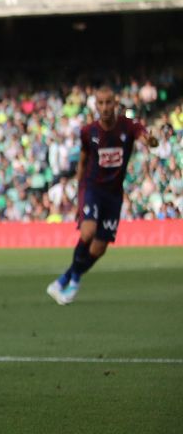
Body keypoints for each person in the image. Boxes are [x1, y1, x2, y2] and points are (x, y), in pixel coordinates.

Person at [47, 86, 160, 304]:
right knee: (88, 232)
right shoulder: (88, 132)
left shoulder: (128, 126)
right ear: (96, 105)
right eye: (101, 103)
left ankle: (65, 279)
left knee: (99, 248)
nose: (105, 107)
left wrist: (151, 142)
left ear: (115, 103)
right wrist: (80, 190)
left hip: (114, 195)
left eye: (109, 102)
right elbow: (82, 160)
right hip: (92, 189)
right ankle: (75, 280)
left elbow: (144, 136)